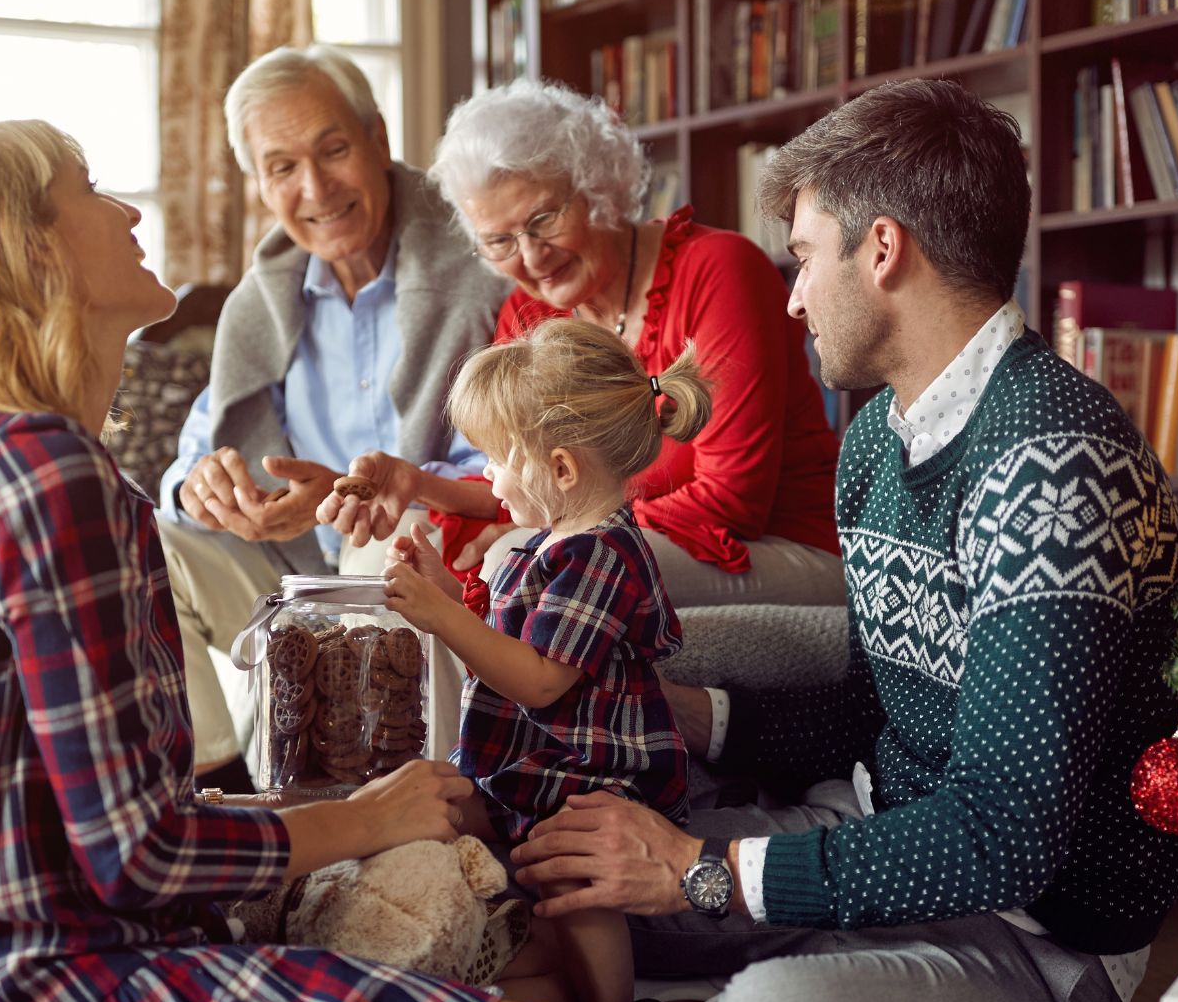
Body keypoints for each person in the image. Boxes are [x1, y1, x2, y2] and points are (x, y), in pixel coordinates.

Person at [0, 119, 659, 1002]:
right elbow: (139, 853)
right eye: (89, 189)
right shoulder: (45, 470)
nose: (127, 210)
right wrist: (368, 818)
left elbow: (103, 830)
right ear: (27, 253)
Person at [500, 81, 1178, 1002]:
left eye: (802, 256)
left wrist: (699, 870)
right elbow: (882, 702)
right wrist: (693, 717)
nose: (789, 299)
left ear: (882, 251)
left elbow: (1005, 838)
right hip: (870, 829)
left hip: (1032, 940)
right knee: (566, 891)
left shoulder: (1050, 460)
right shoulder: (877, 440)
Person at [334, 79, 843, 609]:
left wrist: (540, 540)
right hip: (629, 538)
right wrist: (417, 484)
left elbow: (731, 502)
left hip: (777, 551)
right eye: (501, 241)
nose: (530, 258)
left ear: (596, 186)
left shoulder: (719, 271)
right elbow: (528, 481)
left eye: (543, 220)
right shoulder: (531, 314)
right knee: (398, 551)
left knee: (533, 566)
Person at [154, 46, 511, 774]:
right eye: (282, 167)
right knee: (148, 546)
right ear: (259, 184)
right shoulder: (263, 300)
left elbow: (516, 460)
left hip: (422, 561)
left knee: (388, 538)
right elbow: (195, 455)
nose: (314, 187)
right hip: (288, 580)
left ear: (379, 140)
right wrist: (205, 489)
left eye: (334, 149)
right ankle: (222, 792)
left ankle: (400, 802)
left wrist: (353, 498)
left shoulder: (479, 266)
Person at [379, 318, 712, 1002]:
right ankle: (513, 969)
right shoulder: (549, 543)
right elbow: (511, 631)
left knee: (574, 880)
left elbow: (539, 679)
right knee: (437, 809)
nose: (489, 479)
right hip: (531, 761)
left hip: (585, 773)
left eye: (496, 459)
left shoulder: (601, 553)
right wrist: (447, 593)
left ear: (561, 469)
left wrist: (446, 621)